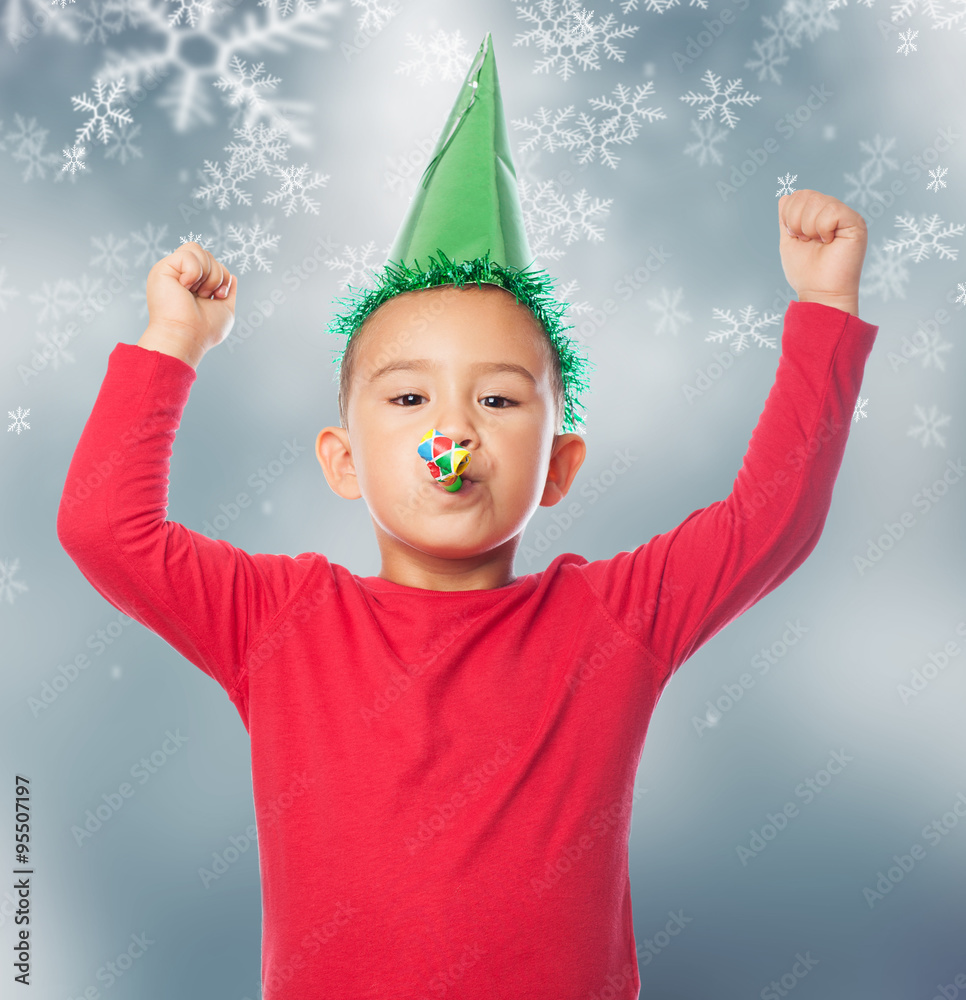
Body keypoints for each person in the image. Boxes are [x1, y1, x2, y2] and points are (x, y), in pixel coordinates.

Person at [57, 32, 878, 1000]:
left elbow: (768, 521)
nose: (452, 429)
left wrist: (824, 303)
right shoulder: (278, 620)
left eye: (496, 399)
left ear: (560, 465)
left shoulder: (612, 619)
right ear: (343, 460)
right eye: (408, 401)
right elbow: (104, 527)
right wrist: (173, 340)